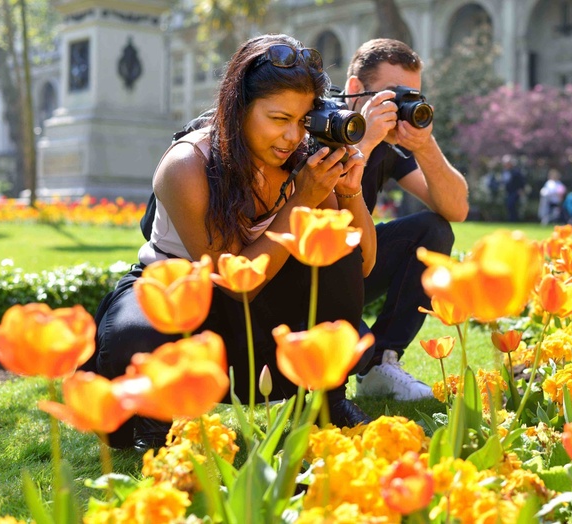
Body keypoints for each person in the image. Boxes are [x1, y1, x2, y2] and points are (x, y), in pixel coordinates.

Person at [86, 34, 377, 450]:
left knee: (335, 250)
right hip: (175, 290)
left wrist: (350, 192)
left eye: (302, 120)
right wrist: (301, 200)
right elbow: (236, 281)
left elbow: (361, 262)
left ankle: (329, 400)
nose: (293, 137)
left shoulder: (303, 161)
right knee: (136, 339)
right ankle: (156, 428)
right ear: (238, 109)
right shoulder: (189, 164)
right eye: (279, 119)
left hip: (250, 310)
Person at [342, 38, 469, 400]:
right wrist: (362, 143)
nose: (402, 107)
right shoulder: (325, 126)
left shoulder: (390, 142)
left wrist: (424, 146)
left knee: (434, 229)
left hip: (357, 264)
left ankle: (383, 363)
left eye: (411, 96)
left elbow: (456, 209)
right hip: (309, 276)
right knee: (356, 348)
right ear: (355, 90)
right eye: (392, 95)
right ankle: (365, 357)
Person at [501, 155, 527, 222]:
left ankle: (514, 219)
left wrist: (521, 189)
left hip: (515, 191)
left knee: (511, 204)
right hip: (508, 192)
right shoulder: (504, 171)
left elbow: (522, 181)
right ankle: (510, 219)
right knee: (508, 205)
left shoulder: (516, 172)